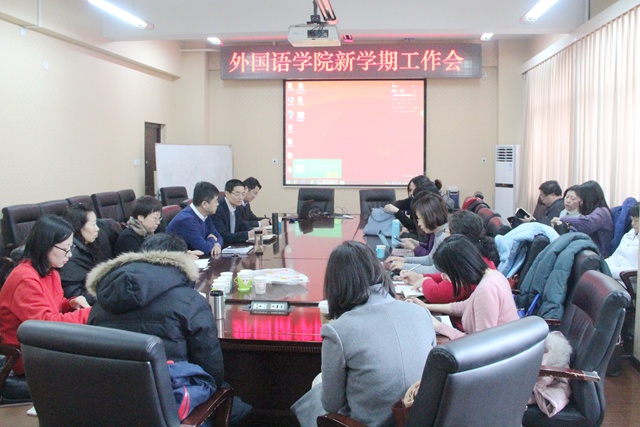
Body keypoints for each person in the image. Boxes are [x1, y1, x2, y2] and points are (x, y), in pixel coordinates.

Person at [291, 241, 436, 427]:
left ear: (336, 283)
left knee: (318, 384)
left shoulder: (338, 331)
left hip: (368, 423)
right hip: (417, 420)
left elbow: (331, 404)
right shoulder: (422, 314)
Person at [0, 215, 91, 375]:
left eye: (71, 248)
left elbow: (52, 306)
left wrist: (69, 304)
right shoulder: (25, 279)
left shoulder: (50, 272)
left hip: (44, 348)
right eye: (65, 249)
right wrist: (90, 314)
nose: (70, 255)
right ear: (45, 245)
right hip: (26, 357)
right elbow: (45, 326)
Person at [409, 235, 520, 340]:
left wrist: (439, 326)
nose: (442, 277)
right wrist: (427, 307)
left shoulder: (487, 290)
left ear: (459, 268)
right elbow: (466, 305)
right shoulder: (493, 275)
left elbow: (481, 344)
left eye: (445, 272)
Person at [400, 210, 499, 304]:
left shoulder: (468, 262)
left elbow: (437, 295)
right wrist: (422, 276)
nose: (444, 236)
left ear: (457, 237)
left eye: (446, 232)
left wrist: (425, 281)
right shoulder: (474, 254)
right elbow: (449, 276)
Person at [59, 203, 110, 305]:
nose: (97, 228)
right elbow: (75, 294)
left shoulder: (90, 245)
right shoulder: (69, 256)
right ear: (79, 227)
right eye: (93, 224)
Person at [387, 193, 449, 274]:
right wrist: (404, 260)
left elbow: (436, 271)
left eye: (419, 219)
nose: (419, 223)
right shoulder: (438, 233)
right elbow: (430, 260)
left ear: (430, 216)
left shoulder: (444, 236)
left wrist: (403, 266)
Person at [551, 180, 614, 256]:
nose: (581, 200)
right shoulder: (591, 210)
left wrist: (563, 219)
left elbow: (586, 224)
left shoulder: (601, 212)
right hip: (587, 249)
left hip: (598, 253)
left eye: (582, 197)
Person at [166, 181, 223, 256]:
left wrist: (217, 245)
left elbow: (218, 236)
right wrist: (211, 239)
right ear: (204, 204)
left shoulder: (205, 213)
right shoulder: (186, 220)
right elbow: (204, 249)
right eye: (215, 201)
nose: (217, 204)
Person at [211, 179, 262, 246]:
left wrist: (255, 231)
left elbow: (242, 225)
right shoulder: (218, 209)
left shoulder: (238, 207)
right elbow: (223, 236)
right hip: (222, 247)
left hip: (234, 245)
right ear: (227, 194)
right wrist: (248, 234)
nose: (240, 198)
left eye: (243, 194)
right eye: (237, 194)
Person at [606, 202, 639, 282]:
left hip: (627, 282)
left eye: (636, 220)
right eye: (632, 220)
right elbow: (615, 256)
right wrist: (603, 265)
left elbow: (634, 273)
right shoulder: (630, 234)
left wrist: (609, 271)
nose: (633, 224)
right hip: (613, 275)